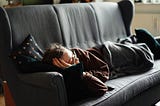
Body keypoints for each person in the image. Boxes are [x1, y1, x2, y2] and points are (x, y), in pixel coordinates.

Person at [42, 35, 155, 97]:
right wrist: (79, 71)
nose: (75, 58)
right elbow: (102, 85)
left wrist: (76, 63)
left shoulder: (78, 53)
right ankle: (130, 40)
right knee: (145, 58)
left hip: (106, 52)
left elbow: (104, 70)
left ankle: (132, 39)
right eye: (71, 60)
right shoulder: (71, 75)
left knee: (146, 54)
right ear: (64, 66)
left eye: (72, 54)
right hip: (109, 62)